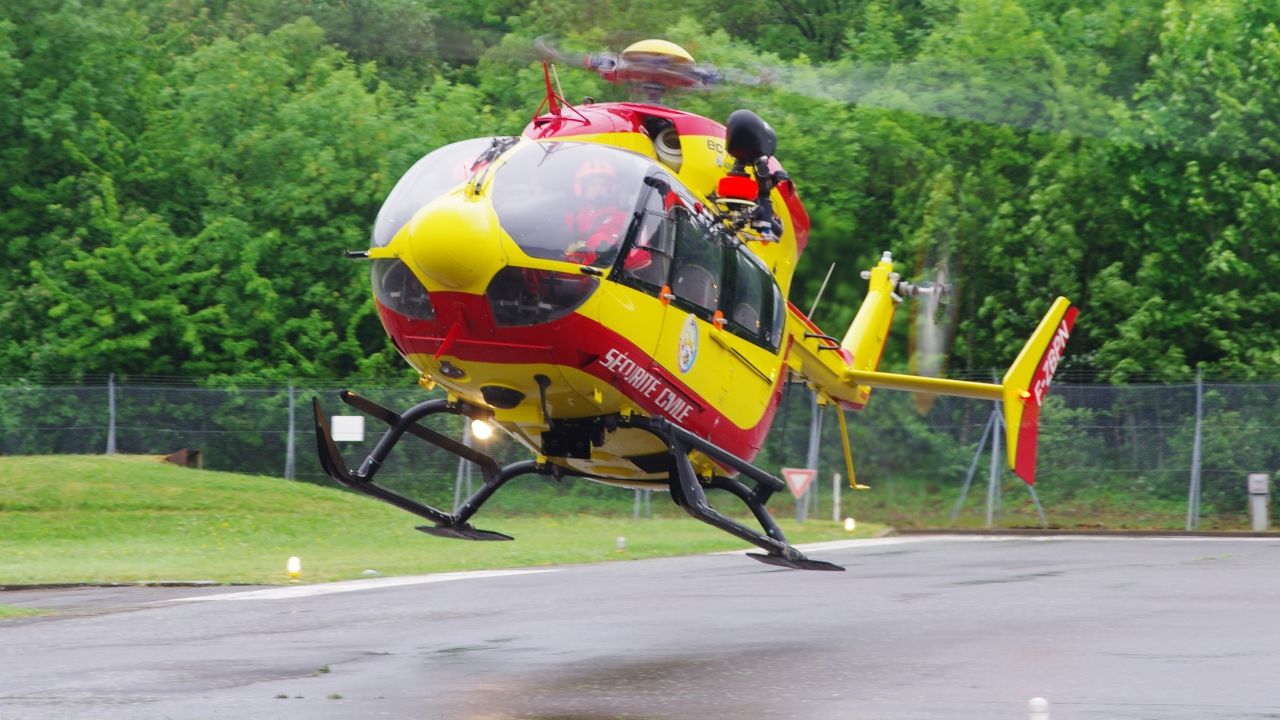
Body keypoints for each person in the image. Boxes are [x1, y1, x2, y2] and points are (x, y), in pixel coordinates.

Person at [565, 159, 629, 266]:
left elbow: (641, 255)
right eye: (592, 184)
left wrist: (611, 255)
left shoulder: (624, 218)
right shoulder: (570, 218)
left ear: (610, 188)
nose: (598, 189)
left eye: (603, 185)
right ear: (581, 187)